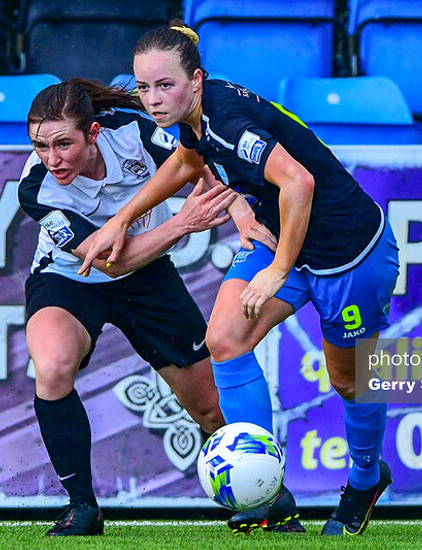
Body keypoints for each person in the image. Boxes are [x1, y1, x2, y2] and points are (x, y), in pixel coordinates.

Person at [78, 22, 400, 536]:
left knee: (347, 379)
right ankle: (266, 494)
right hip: (284, 241)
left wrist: (276, 271)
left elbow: (300, 181)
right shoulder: (193, 118)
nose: (153, 99)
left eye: (165, 86)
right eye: (144, 87)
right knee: (224, 339)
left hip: (350, 255)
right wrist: (119, 220)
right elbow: (187, 160)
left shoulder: (227, 121)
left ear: (197, 80)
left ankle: (365, 479)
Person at [19, 78, 273, 536]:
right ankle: (82, 507)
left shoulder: (131, 130)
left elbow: (198, 163)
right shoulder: (37, 187)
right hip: (68, 280)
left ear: (93, 134)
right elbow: (110, 263)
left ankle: (265, 499)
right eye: (40, 145)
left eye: (63, 144)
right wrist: (181, 224)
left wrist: (238, 213)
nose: (51, 158)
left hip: (150, 279)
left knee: (212, 411)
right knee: (53, 367)